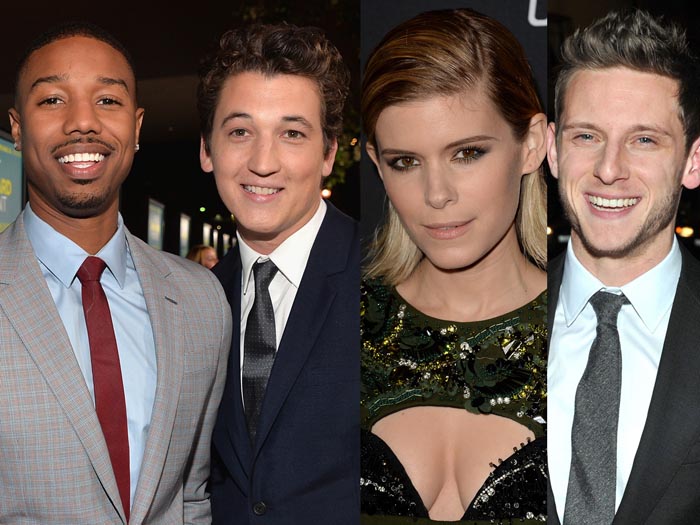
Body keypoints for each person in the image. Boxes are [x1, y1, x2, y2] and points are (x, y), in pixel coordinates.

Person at [0, 22, 232, 524]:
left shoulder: (202, 300)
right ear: (17, 128)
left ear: (137, 126)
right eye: (52, 100)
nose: (83, 122)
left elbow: (193, 497)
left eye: (107, 100)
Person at [360, 8, 547, 524]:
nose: (436, 194)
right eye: (405, 162)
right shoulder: (337, 324)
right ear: (378, 165)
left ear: (532, 144)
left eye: (467, 153)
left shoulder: (587, 331)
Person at [197, 22, 360, 524]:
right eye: (240, 132)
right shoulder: (197, 299)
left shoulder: (387, 274)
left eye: (292, 133)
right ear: (207, 150)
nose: (263, 162)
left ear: (328, 153)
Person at [547, 9, 700, 525]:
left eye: (644, 140)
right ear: (553, 150)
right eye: (586, 136)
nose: (609, 170)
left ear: (693, 161)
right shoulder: (485, 313)